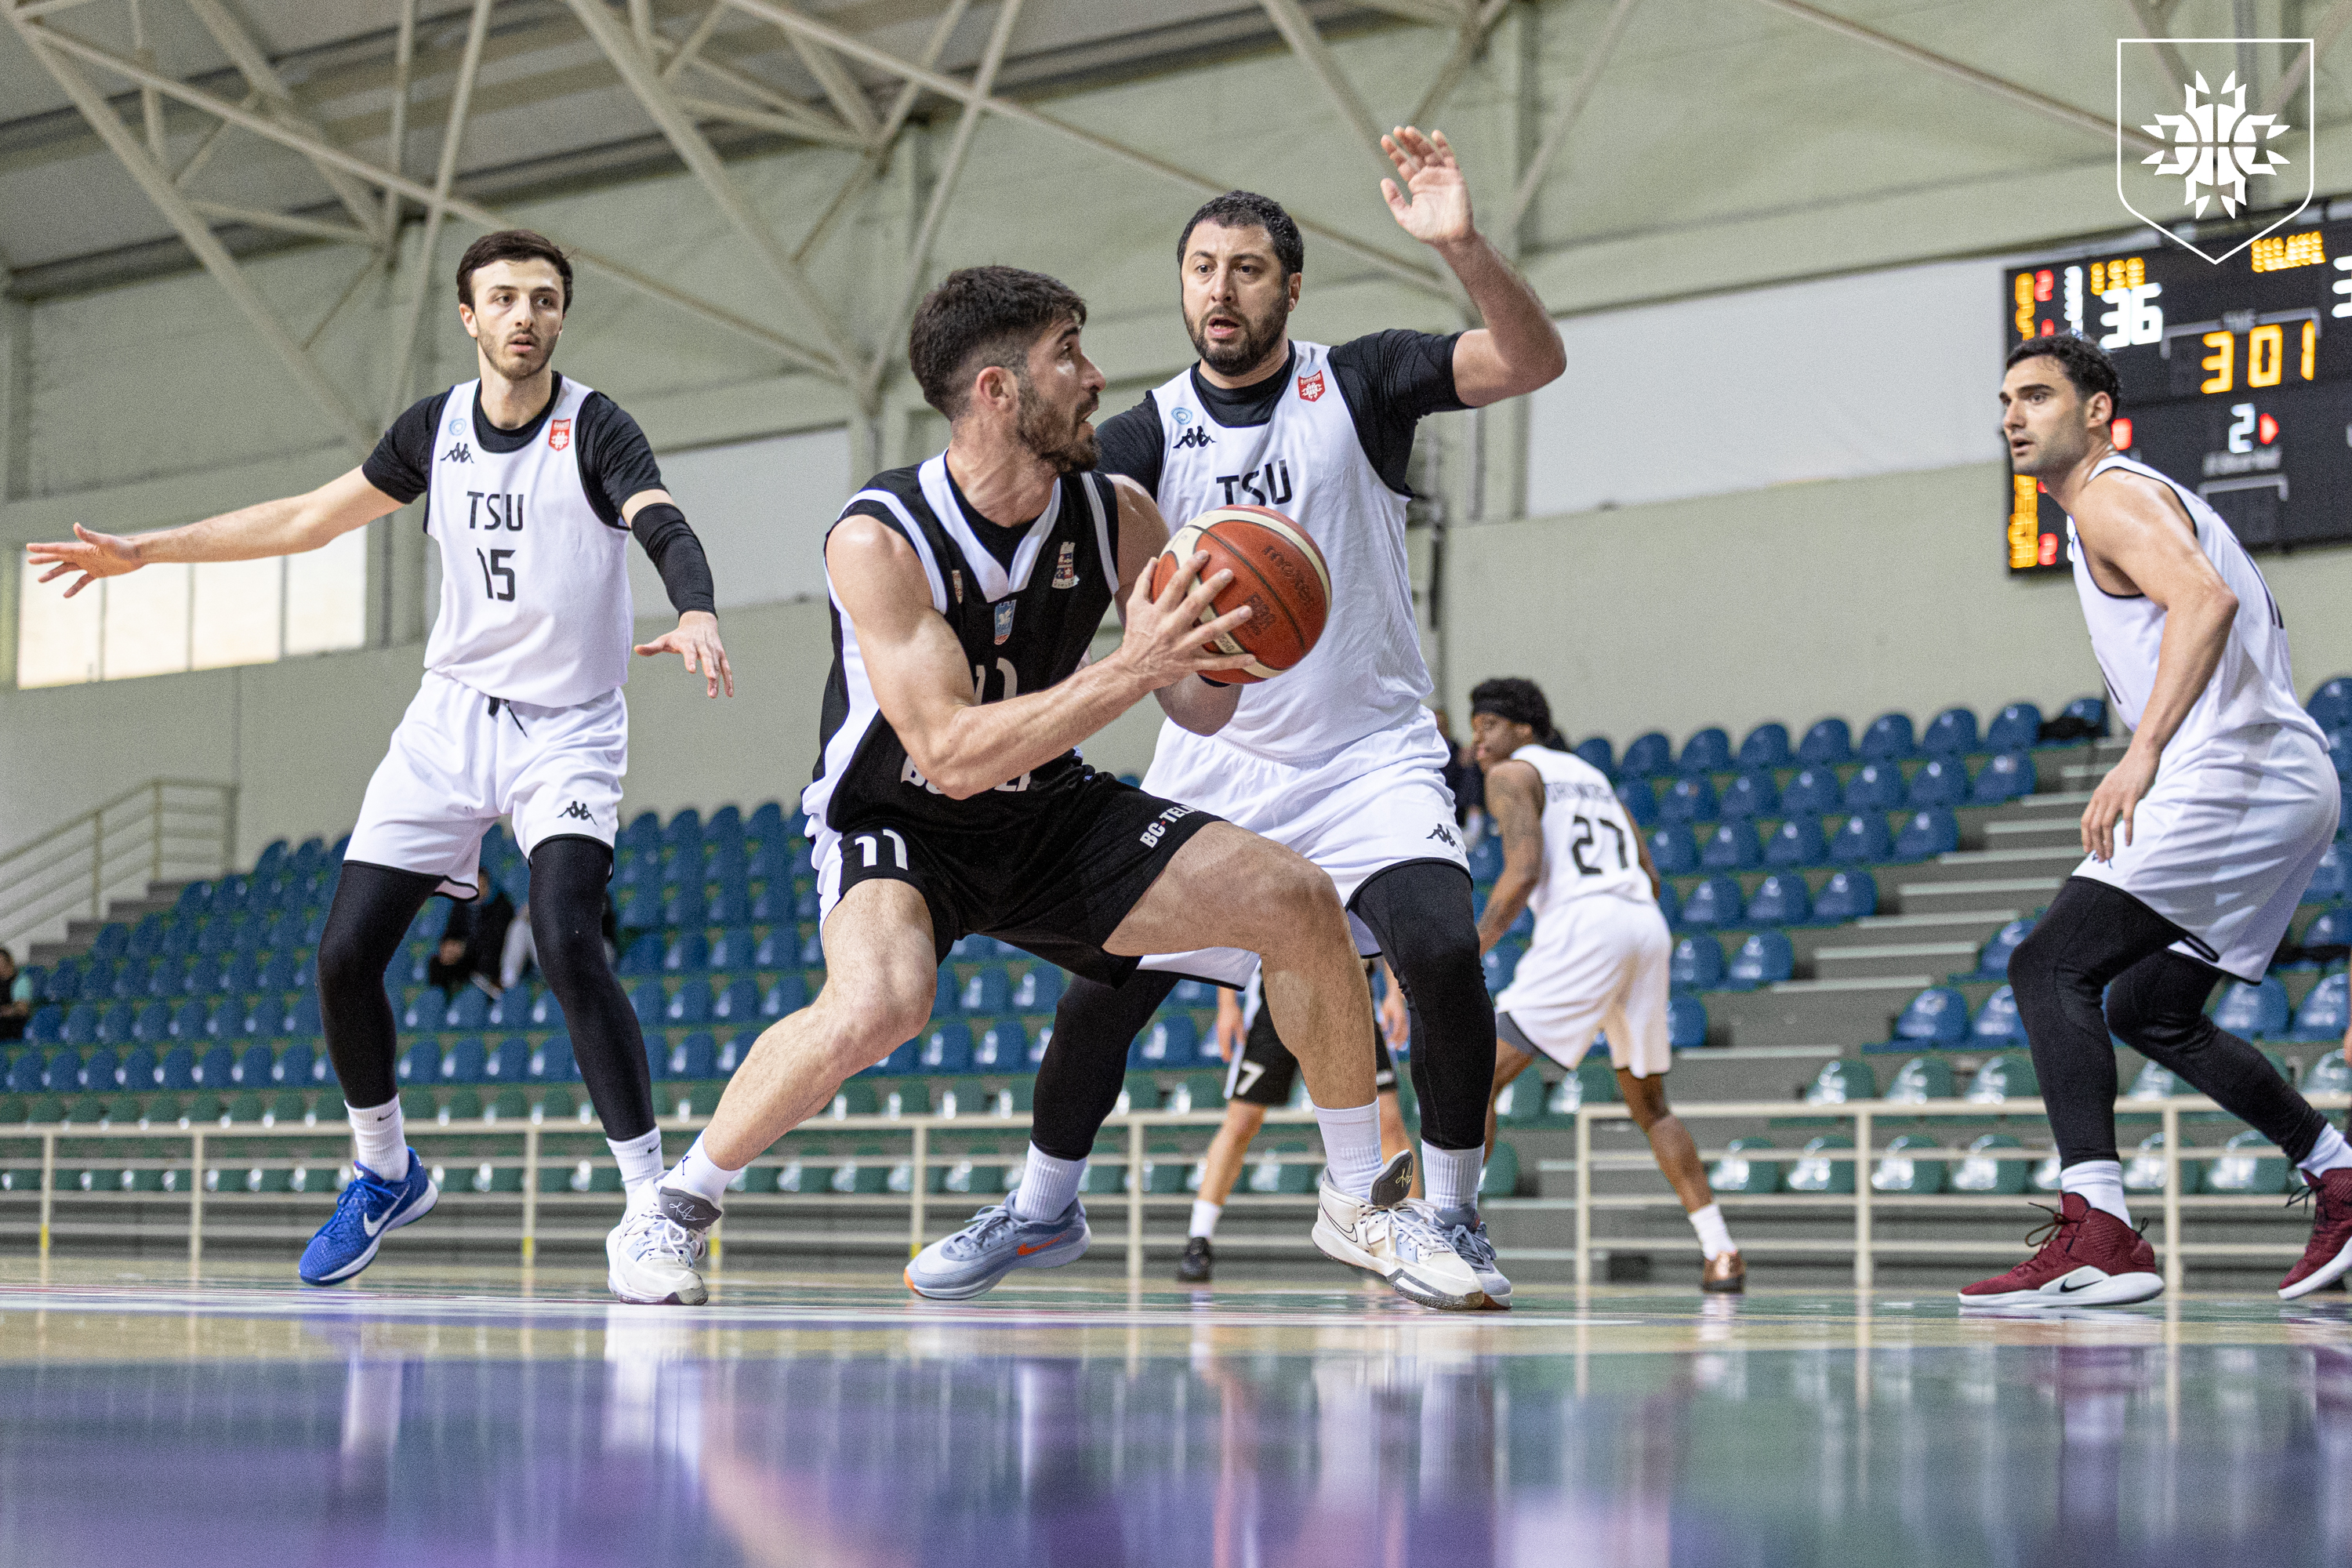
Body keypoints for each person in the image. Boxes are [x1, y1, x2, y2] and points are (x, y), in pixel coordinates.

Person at [627, 265, 1470, 1309]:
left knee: (1299, 899)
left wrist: (1224, 648)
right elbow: (949, 753)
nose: (1096, 375)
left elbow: (1199, 711)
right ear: (997, 390)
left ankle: (1358, 1202)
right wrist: (1135, 664)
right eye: (1068, 353)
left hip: (1047, 807)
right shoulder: (879, 537)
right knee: (881, 1002)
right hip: (903, 820)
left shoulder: (1116, 512)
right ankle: (674, 1205)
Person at [25, 229, 734, 1298]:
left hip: (567, 728)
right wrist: (148, 550)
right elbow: (310, 520)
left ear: (560, 316)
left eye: (545, 298)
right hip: (449, 720)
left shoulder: (595, 427)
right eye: (505, 297)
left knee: (565, 936)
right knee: (344, 956)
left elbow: (659, 519)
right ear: (470, 316)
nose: (526, 315)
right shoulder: (433, 430)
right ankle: (386, 1171)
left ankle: (648, 1206)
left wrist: (698, 607)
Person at [951, 127, 1564, 1312]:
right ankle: (1040, 1209)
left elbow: (1531, 359)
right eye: (1201, 269)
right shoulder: (1139, 439)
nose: (1220, 289)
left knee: (1442, 953)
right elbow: (1020, 510)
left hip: (1368, 752)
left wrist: (1463, 245)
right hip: (1215, 760)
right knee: (1103, 988)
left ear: (1291, 285)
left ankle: (1449, 1214)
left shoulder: (1366, 382)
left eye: (1246, 268)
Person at [1968, 333, 2352, 1307]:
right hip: (2279, 775)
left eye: (2038, 395)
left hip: (2238, 770)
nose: (2014, 416)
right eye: (2006, 400)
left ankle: (2100, 1231)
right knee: (2148, 1006)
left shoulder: (2110, 493)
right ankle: (2339, 1173)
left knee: (2049, 964)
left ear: (2098, 410)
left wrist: (2141, 753)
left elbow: (2204, 599)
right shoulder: (2123, 502)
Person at [1468, 677, 1744, 1292]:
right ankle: (1721, 1250)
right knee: (1652, 1105)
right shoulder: (1593, 777)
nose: (1477, 742)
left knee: (1470, 1076)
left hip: (1587, 926)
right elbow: (1650, 874)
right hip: (1643, 924)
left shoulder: (1512, 774)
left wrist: (1471, 947)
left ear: (1524, 729)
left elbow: (1523, 870)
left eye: (1488, 726)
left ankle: (1450, 1230)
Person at [1176, 960, 1415, 1284]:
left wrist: (1394, 995)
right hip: (1279, 994)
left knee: (1387, 1120)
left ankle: (1408, 1240)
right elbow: (1236, 932)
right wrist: (1227, 1004)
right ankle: (1198, 1239)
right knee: (1241, 1122)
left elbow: (1381, 932)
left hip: (1349, 994)